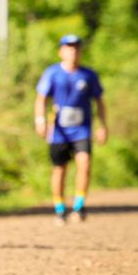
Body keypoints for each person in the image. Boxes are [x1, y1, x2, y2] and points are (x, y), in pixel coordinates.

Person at [34, 35, 107, 225]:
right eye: (69, 47)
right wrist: (40, 120)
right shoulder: (52, 73)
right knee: (60, 169)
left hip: (82, 129)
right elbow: (41, 99)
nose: (73, 51)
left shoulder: (88, 75)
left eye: (76, 48)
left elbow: (99, 101)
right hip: (59, 130)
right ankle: (59, 208)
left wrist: (103, 125)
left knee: (85, 163)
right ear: (61, 51)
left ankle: (79, 205)